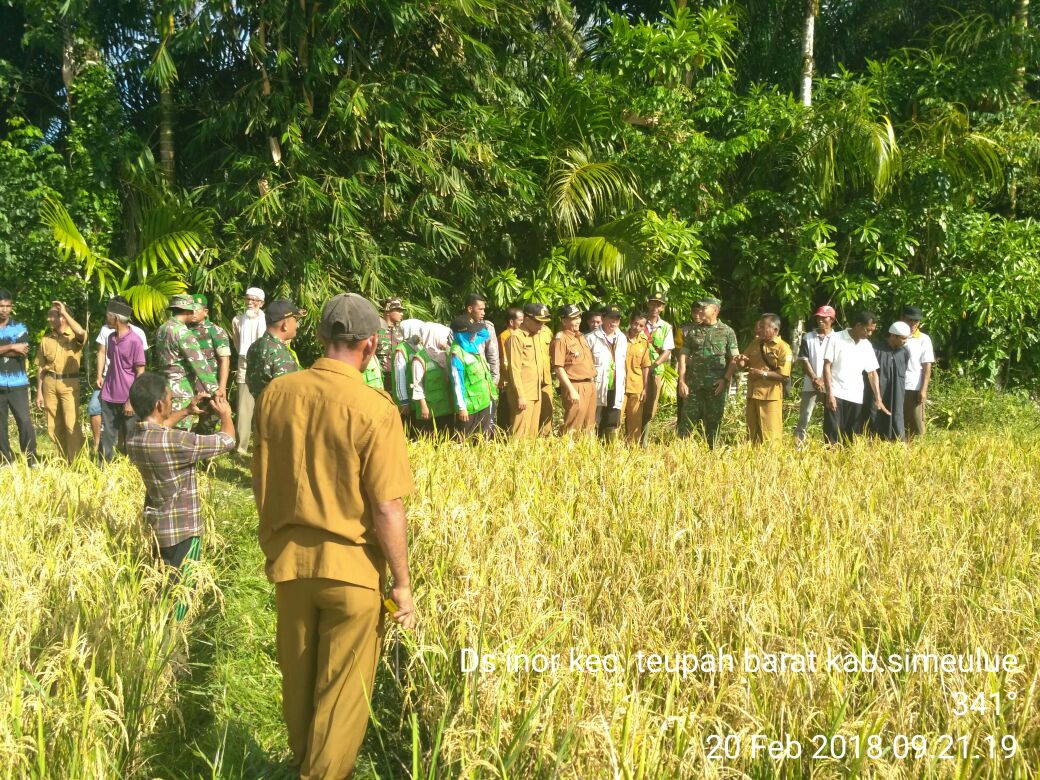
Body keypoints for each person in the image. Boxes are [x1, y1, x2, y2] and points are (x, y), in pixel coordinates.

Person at [252, 292, 416, 780]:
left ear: (319, 337)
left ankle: (302, 763)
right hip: (352, 571)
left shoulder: (276, 394)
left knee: (298, 684)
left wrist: (271, 543)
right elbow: (387, 506)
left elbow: (261, 481)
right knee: (342, 694)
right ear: (369, 347)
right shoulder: (375, 408)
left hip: (290, 565)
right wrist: (402, 585)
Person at [125, 372, 235, 618]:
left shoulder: (133, 437)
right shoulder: (177, 442)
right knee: (181, 598)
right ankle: (173, 645)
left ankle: (155, 632)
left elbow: (159, 427)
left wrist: (186, 411)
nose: (172, 402)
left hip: (158, 528)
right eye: (170, 399)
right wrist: (225, 413)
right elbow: (227, 441)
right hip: (184, 532)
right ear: (159, 405)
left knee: (163, 588)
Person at [676, 297, 739, 448]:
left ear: (715, 311)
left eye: (705, 308)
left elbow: (734, 359)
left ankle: (712, 457)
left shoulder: (727, 332)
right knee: (686, 424)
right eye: (700, 308)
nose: (701, 311)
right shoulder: (693, 332)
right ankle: (681, 457)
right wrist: (682, 381)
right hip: (693, 386)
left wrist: (725, 379)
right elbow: (683, 356)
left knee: (713, 424)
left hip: (715, 387)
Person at [95, 295, 150, 456]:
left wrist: (131, 400)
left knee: (130, 437)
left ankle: (132, 470)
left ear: (116, 318)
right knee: (108, 436)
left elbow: (140, 372)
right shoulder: (111, 338)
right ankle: (104, 468)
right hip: (109, 395)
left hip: (127, 397)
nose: (106, 319)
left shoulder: (135, 341)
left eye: (108, 316)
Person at [822, 311, 888, 444]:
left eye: (872, 331)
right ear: (858, 325)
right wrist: (829, 394)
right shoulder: (835, 338)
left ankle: (846, 463)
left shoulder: (866, 345)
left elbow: (872, 373)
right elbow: (827, 366)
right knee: (833, 433)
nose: (869, 334)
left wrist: (878, 398)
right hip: (836, 394)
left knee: (850, 436)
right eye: (867, 330)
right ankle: (829, 462)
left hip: (856, 396)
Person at [155, 294, 218, 430]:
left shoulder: (162, 329)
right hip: (181, 389)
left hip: (164, 386)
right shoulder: (183, 333)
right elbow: (199, 364)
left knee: (165, 426)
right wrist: (215, 389)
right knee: (180, 431)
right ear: (187, 311)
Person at [727, 313, 792, 445]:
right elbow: (743, 364)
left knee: (770, 436)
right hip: (753, 394)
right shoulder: (755, 344)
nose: (759, 330)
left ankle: (771, 462)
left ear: (775, 330)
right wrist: (741, 361)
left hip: (770, 396)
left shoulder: (783, 348)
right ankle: (755, 461)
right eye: (759, 327)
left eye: (763, 327)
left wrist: (763, 374)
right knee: (752, 433)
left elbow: (784, 375)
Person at [35, 301, 87, 462]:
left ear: (63, 317)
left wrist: (64, 311)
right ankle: (63, 459)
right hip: (49, 383)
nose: (49, 318)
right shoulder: (46, 339)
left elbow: (82, 333)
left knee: (71, 423)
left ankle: (76, 462)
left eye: (53, 315)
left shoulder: (74, 336)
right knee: (53, 425)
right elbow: (41, 367)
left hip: (68, 384)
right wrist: (39, 392)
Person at [0, 290, 37, 464]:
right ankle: (5, 460)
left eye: (7, 306)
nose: (4, 310)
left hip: (18, 383)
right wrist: (12, 346)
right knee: (0, 426)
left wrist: (14, 348)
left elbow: (23, 351)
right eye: (1, 306)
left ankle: (31, 459)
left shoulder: (20, 327)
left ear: (11, 307)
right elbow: (17, 349)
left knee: (24, 421)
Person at [505, 303, 550, 438]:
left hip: (536, 392)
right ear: (527, 319)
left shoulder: (536, 335)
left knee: (532, 434)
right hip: (523, 394)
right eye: (538, 322)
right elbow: (514, 369)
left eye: (543, 322)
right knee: (519, 434)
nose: (541, 326)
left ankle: (529, 459)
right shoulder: (516, 337)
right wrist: (520, 395)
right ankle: (515, 459)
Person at [794, 305, 836, 446]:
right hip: (810, 383)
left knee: (831, 417)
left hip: (830, 385)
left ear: (832, 319)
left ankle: (830, 445)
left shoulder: (837, 338)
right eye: (818, 318)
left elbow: (836, 363)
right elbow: (804, 359)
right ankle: (798, 446)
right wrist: (815, 379)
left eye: (824, 318)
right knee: (805, 417)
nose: (820, 320)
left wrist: (823, 380)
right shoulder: (808, 337)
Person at [551, 304, 596, 434]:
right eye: (573, 318)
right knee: (572, 427)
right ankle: (566, 452)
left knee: (589, 426)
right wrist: (571, 390)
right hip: (575, 385)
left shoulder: (581, 336)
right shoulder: (561, 339)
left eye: (578, 317)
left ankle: (584, 453)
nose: (577, 321)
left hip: (589, 384)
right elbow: (559, 368)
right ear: (564, 321)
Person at [231, 287, 266, 454]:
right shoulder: (237, 321)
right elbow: (238, 344)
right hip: (245, 362)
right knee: (243, 407)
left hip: (263, 365)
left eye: (254, 300)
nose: (250, 303)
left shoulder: (268, 320)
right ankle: (241, 447)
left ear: (261, 303)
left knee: (264, 405)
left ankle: (261, 445)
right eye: (248, 299)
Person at [450, 316, 497, 439]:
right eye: (470, 332)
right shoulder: (457, 353)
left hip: (483, 400)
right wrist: (462, 407)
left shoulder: (471, 344)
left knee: (482, 437)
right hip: (469, 406)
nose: (474, 335)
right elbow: (457, 383)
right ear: (461, 334)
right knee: (464, 438)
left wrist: (474, 325)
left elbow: (485, 333)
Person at [191, 294, 232, 434]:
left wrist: (222, 387)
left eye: (196, 309)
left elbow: (224, 360)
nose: (192, 313)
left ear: (205, 311)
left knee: (207, 423)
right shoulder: (183, 330)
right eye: (189, 310)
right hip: (188, 385)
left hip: (210, 386)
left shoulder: (216, 331)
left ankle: (205, 454)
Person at [246, 299, 303, 398]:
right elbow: (288, 394)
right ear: (285, 325)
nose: (297, 325)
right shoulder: (280, 354)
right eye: (296, 320)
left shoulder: (254, 346)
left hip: (259, 410)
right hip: (278, 412)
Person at [586, 306, 627, 441]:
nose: (614, 322)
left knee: (612, 421)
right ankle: (591, 450)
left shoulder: (622, 338)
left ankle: (609, 452)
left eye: (617, 319)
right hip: (597, 386)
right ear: (603, 318)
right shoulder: (590, 338)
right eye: (611, 318)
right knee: (594, 420)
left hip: (616, 386)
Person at [864, 321, 911, 441]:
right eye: (903, 338)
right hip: (878, 392)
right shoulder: (876, 350)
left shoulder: (905, 352)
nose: (906, 341)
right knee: (875, 416)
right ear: (893, 336)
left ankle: (897, 445)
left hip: (897, 393)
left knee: (897, 415)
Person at [640, 290, 674, 444]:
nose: (655, 307)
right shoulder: (639, 322)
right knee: (634, 404)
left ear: (662, 308)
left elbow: (667, 351)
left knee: (650, 408)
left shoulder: (666, 327)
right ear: (648, 304)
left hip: (655, 371)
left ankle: (644, 441)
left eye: (658, 305)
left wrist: (653, 366)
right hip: (637, 370)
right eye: (652, 303)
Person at [410, 323, 455, 436]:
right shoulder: (419, 358)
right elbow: (417, 385)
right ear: (434, 336)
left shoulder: (445, 354)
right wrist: (423, 406)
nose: (445, 339)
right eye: (443, 336)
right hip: (430, 409)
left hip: (446, 407)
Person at [901, 305, 935, 440]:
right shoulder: (894, 336)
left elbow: (927, 366)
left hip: (913, 387)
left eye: (916, 321)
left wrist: (923, 389)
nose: (913, 324)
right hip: (896, 386)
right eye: (910, 320)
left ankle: (911, 453)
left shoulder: (924, 339)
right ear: (902, 318)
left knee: (914, 424)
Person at [622, 313, 652, 444]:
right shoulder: (620, 339)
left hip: (636, 387)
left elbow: (645, 366)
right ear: (630, 322)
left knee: (635, 422)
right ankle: (612, 449)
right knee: (616, 420)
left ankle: (632, 450)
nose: (637, 327)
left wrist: (645, 388)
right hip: (620, 386)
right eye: (635, 323)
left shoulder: (644, 343)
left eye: (641, 325)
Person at [391, 319, 424, 420]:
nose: (420, 335)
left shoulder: (419, 348)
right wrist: (404, 401)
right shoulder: (401, 350)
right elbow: (399, 376)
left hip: (416, 398)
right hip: (406, 399)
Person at [497, 307, 524, 429]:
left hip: (521, 378)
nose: (522, 323)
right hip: (508, 380)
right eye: (520, 320)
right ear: (511, 322)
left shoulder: (523, 335)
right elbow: (504, 361)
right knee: (506, 413)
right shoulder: (505, 336)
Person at [376, 297, 405, 392]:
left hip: (398, 379)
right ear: (388, 311)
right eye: (398, 310)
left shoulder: (401, 332)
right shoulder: (377, 329)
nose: (402, 314)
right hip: (379, 379)